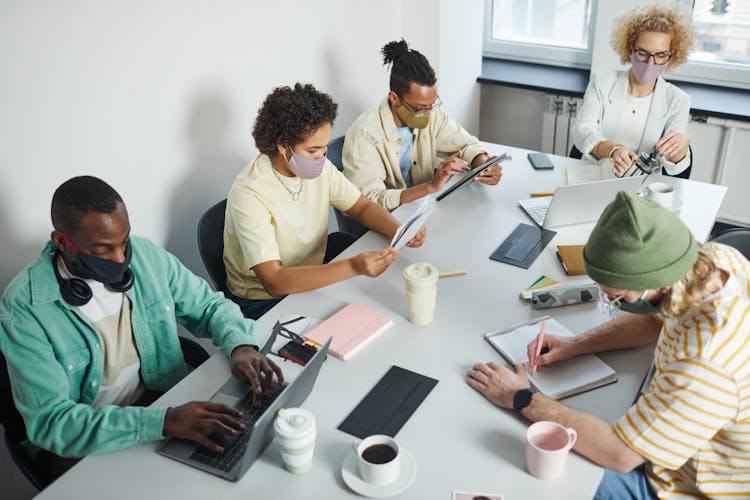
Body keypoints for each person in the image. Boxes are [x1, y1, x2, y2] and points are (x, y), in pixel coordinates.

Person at [467, 191, 750, 498]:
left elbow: (621, 454)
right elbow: (657, 319)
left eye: (618, 297)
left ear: (661, 282)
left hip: (682, 485)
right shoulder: (715, 258)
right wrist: (576, 344)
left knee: (536, 469)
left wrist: (522, 398)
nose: (611, 303)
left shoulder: (704, 363)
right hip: (675, 432)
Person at [0, 176, 283, 483]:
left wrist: (241, 346)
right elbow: (52, 423)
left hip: (163, 404)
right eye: (102, 250)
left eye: (124, 242)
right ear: (62, 243)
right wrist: (163, 422)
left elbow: (210, 306)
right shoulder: (24, 309)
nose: (121, 260)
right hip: (92, 442)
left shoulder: (146, 256)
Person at [224, 83, 425, 320]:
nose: (321, 156)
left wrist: (400, 231)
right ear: (282, 146)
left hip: (310, 275)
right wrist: (353, 267)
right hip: (264, 302)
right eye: (312, 150)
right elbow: (274, 281)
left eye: (325, 148)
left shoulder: (318, 167)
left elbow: (360, 206)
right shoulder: (249, 193)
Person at [342, 39, 503, 211]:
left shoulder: (433, 115)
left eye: (431, 105)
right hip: (386, 222)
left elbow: (466, 144)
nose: (428, 113)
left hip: (423, 209)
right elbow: (369, 201)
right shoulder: (364, 134)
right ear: (394, 98)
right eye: (420, 108)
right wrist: (430, 187)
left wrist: (484, 165)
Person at [571, 3, 695, 178]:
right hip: (596, 176)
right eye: (643, 53)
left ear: (671, 56)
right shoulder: (602, 82)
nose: (650, 63)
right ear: (630, 49)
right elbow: (583, 130)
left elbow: (676, 168)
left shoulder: (678, 99)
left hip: (642, 186)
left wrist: (681, 143)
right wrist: (613, 150)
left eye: (660, 55)